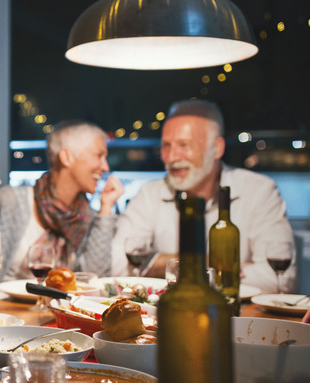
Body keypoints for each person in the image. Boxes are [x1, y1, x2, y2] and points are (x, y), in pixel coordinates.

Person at [111, 99, 296, 293]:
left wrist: (161, 264)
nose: (172, 157)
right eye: (166, 146)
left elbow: (279, 280)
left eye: (184, 145)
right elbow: (119, 266)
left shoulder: (259, 190)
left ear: (217, 148)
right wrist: (224, 266)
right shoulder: (149, 193)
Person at [0, 120, 125, 306]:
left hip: (52, 319)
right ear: (67, 157)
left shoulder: (88, 218)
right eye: (99, 155)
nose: (106, 167)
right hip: (0, 315)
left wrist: (106, 207)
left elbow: (94, 280)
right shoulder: (9, 202)